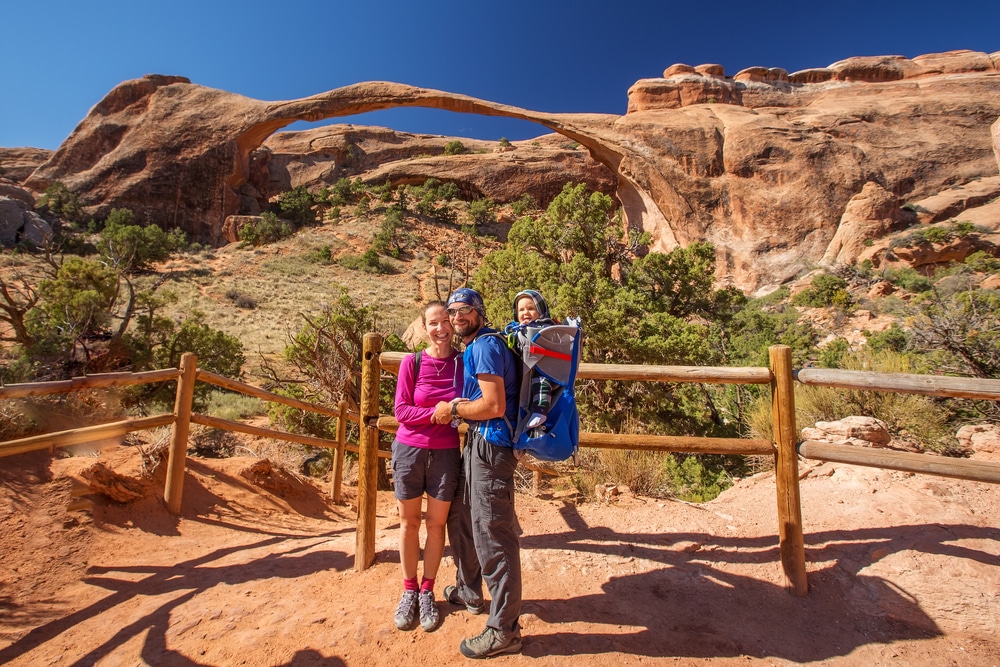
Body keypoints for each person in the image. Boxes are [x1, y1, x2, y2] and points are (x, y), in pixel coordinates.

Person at [432, 287, 523, 659]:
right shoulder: (481, 344)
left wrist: (453, 409)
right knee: (465, 518)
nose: (457, 317)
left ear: (479, 312)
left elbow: (493, 404)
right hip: (480, 445)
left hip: (491, 447)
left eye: (465, 310)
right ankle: (469, 590)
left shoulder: (484, 346)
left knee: (493, 536)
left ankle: (504, 630)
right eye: (452, 311)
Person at [391, 300, 464, 633]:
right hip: (409, 451)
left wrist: (452, 410)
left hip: (446, 453)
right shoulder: (412, 362)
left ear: (453, 324)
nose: (440, 328)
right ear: (424, 327)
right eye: (433, 323)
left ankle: (427, 591)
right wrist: (437, 413)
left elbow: (466, 404)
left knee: (436, 526)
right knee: (408, 523)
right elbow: (402, 411)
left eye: (445, 321)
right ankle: (408, 590)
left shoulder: (463, 364)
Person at [510, 289, 558, 430]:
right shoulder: (519, 328)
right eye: (521, 310)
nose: (525, 313)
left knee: (541, 382)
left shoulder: (544, 326)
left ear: (541, 310)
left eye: (531, 308)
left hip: (545, 369)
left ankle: (540, 410)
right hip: (527, 368)